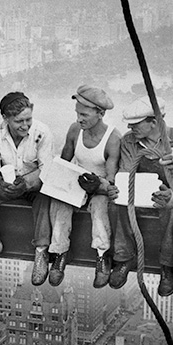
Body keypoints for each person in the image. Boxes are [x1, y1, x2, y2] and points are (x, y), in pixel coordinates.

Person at [108, 96, 173, 295]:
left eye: (136, 124)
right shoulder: (129, 141)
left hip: (168, 193)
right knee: (116, 204)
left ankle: (167, 265)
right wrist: (120, 189)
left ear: (154, 122)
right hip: (138, 190)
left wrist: (171, 196)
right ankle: (123, 257)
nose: (130, 128)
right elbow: (126, 173)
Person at [0, 92, 54, 283]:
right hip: (7, 181)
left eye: (28, 119)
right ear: (5, 118)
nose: (25, 126)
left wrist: (25, 183)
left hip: (33, 184)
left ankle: (41, 251)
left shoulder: (42, 132)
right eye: (18, 121)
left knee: (45, 195)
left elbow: (46, 170)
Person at [46, 85, 121, 287]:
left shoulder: (113, 139)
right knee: (60, 202)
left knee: (99, 208)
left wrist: (99, 185)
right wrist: (61, 183)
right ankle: (60, 251)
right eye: (77, 113)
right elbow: (65, 162)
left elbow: (112, 178)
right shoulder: (74, 129)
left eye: (84, 115)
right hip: (78, 180)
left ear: (101, 114)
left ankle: (102, 255)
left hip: (99, 186)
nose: (79, 119)